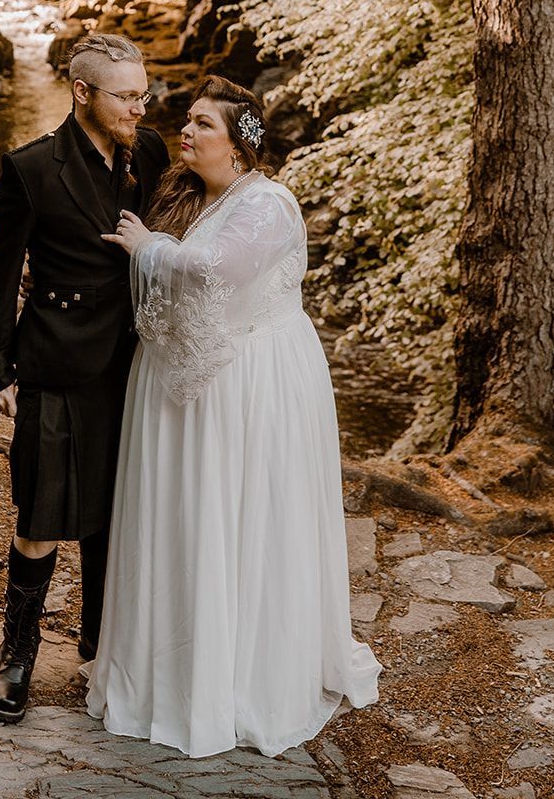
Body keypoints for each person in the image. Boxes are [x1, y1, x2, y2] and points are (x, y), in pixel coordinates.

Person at [87, 74, 380, 759]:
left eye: (203, 125)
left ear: (241, 142)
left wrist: (146, 248)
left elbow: (218, 270)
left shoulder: (269, 204)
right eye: (186, 121)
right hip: (187, 380)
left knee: (240, 517)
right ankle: (171, 670)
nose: (186, 133)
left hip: (251, 382)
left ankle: (241, 676)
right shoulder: (192, 197)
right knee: (186, 520)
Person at [0, 33, 170, 724]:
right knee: (42, 513)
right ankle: (18, 649)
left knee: (116, 512)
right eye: (125, 96)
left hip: (131, 363)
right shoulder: (30, 168)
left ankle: (99, 640)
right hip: (54, 359)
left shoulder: (150, 153)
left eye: (144, 94)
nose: (139, 108)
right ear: (82, 91)